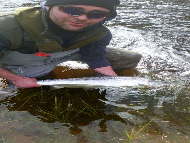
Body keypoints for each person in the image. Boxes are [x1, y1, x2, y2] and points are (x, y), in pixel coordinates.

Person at [0, 0, 142, 89]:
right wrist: (16, 79)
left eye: (96, 14)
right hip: (17, 56)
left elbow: (96, 56)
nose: (82, 18)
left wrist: (114, 81)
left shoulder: (100, 33)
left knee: (128, 57)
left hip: (63, 52)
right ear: (49, 6)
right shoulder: (6, 27)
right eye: (72, 10)